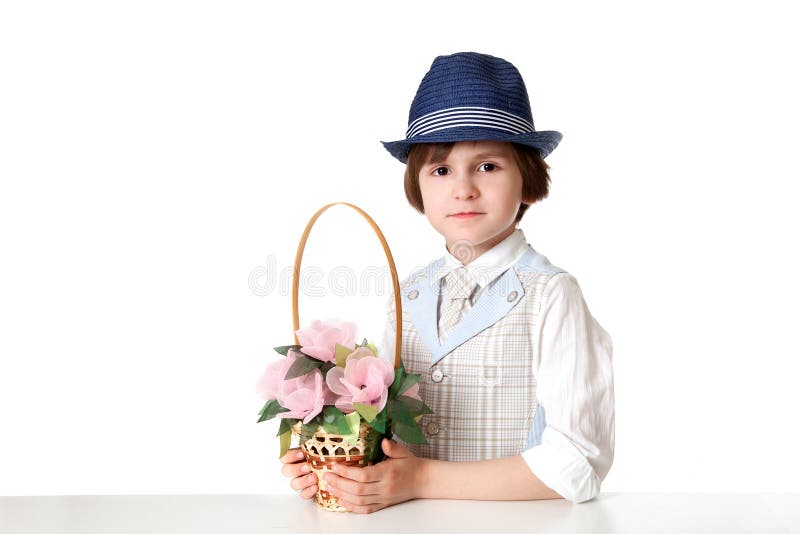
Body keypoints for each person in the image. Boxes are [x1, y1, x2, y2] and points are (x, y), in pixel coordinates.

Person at [279, 51, 615, 513]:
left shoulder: (551, 295)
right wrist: (340, 466)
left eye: (488, 166)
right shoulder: (410, 291)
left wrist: (421, 478)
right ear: (417, 188)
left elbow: (576, 465)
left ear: (530, 182)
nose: (463, 189)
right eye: (441, 170)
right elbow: (387, 430)